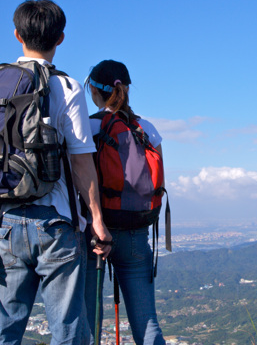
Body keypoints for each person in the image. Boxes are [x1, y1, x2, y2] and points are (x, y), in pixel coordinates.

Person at [0, 0, 112, 345]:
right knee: (68, 329)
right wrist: (97, 219)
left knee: (4, 329)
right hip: (55, 223)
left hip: (5, 220)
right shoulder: (67, 87)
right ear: (61, 39)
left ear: (16, 35)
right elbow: (82, 160)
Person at [84, 60, 166, 345]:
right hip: (136, 231)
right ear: (127, 89)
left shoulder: (88, 127)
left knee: (89, 327)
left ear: (94, 91)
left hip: (93, 235)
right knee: (147, 324)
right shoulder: (146, 128)